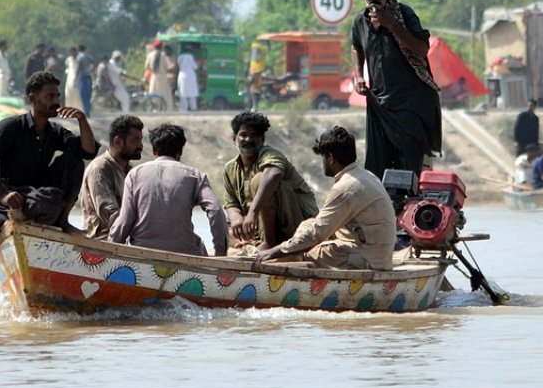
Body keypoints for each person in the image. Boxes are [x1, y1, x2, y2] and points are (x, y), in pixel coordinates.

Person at [0, 71, 98, 238]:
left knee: (74, 161)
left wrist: (82, 119)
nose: (56, 102)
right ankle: (36, 219)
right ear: (33, 99)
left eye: (57, 96)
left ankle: (62, 221)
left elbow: (87, 152)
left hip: (37, 197)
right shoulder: (11, 127)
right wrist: (3, 195)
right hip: (8, 205)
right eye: (50, 97)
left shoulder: (55, 131)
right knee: (48, 202)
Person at [257, 127, 396, 270]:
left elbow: (317, 233)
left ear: (330, 158)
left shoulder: (346, 187)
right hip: (376, 255)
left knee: (303, 254)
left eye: (323, 157)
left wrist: (276, 251)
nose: (322, 162)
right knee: (308, 225)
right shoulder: (366, 176)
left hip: (366, 259)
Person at [350, 0, 443, 177]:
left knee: (410, 164)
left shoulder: (404, 14)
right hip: (380, 102)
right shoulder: (360, 21)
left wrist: (391, 25)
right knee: (378, 164)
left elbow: (422, 48)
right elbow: (356, 46)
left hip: (410, 103)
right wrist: (358, 76)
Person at [110, 124, 228, 257]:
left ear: (154, 150)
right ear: (180, 151)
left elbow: (125, 219)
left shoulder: (134, 174)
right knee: (199, 245)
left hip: (142, 251)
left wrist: (111, 247)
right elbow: (216, 210)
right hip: (184, 252)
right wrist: (220, 252)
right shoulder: (195, 176)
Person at [221, 111, 318, 254]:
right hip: (257, 228)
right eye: (243, 135)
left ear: (262, 139)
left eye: (254, 135)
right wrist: (236, 219)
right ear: (234, 138)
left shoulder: (270, 155)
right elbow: (231, 204)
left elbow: (274, 174)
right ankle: (252, 244)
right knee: (225, 230)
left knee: (260, 180)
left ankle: (269, 242)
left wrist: (252, 213)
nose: (248, 139)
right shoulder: (230, 168)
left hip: (297, 223)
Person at [80, 115, 144, 240]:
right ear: (118, 142)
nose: (141, 145)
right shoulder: (100, 169)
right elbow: (110, 215)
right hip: (103, 244)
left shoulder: (130, 171)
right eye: (136, 140)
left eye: (140, 140)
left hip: (126, 242)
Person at [75, 44, 94, 116]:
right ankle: (88, 111)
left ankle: (86, 111)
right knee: (88, 95)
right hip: (89, 76)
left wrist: (75, 77)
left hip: (82, 77)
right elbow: (94, 63)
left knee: (83, 95)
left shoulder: (79, 57)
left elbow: (78, 68)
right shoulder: (88, 56)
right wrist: (91, 70)